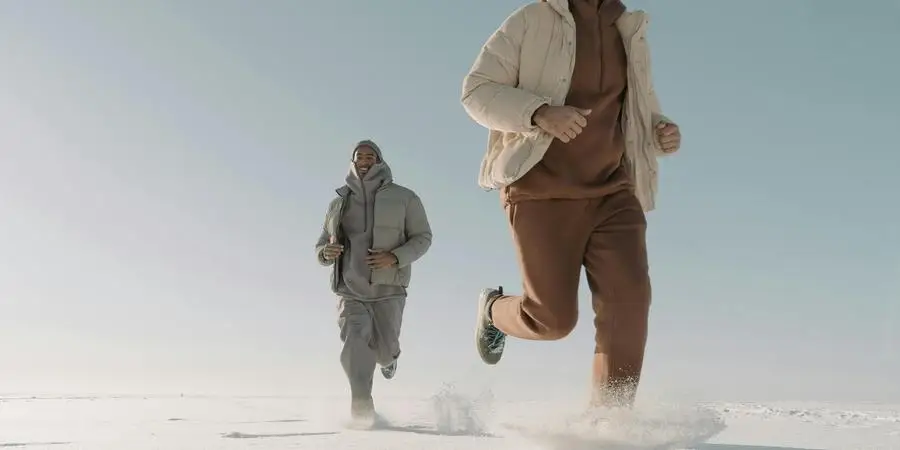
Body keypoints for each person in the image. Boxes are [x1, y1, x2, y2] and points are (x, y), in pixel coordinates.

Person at [459, 0, 682, 408]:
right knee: (552, 320)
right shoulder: (531, 20)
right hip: (540, 191)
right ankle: (494, 311)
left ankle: (608, 425)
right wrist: (539, 113)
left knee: (629, 301)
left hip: (612, 191)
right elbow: (476, 91)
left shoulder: (628, 27)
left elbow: (630, 108)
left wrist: (659, 131)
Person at [314, 139, 433, 421]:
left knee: (384, 351)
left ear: (380, 161)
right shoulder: (338, 203)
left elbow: (423, 237)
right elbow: (321, 243)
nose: (364, 160)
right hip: (350, 288)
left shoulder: (405, 197)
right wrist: (325, 253)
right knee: (355, 343)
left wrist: (395, 257)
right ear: (352, 162)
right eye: (359, 156)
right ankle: (362, 409)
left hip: (389, 289)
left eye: (370, 155)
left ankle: (389, 360)